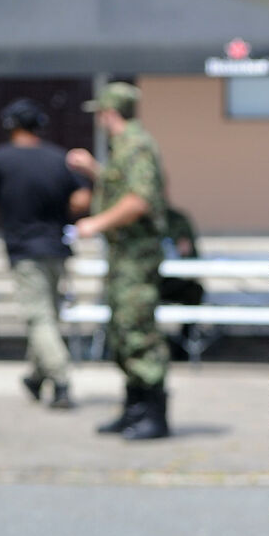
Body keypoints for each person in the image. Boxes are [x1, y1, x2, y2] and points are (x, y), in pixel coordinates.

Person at [67, 82, 171, 440]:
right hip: (124, 255)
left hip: (136, 256)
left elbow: (139, 200)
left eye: (99, 112)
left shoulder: (137, 144)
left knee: (137, 329)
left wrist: (95, 223)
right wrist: (94, 170)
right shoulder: (125, 145)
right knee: (122, 330)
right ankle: (135, 408)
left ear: (109, 113)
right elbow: (122, 185)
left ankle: (154, 414)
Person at [0, 97, 91, 409]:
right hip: (56, 247)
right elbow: (82, 198)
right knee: (48, 316)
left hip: (24, 249)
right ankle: (37, 377)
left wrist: (5, 214)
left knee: (39, 318)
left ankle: (61, 380)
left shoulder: (0, 159)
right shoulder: (57, 157)